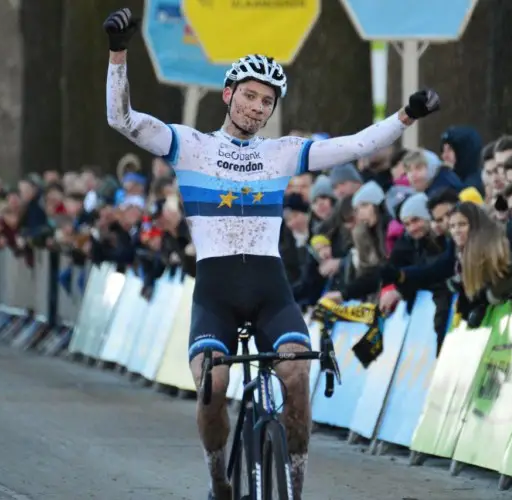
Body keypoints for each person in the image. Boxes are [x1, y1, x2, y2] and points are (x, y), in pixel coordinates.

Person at [102, 8, 441, 500]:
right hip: (215, 295)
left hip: (270, 290)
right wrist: (118, 52)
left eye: (267, 100)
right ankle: (219, 476)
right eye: (250, 95)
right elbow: (122, 119)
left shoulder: (282, 152)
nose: (258, 107)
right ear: (228, 95)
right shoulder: (187, 144)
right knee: (214, 388)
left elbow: (357, 145)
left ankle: (295, 486)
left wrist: (406, 115)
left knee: (297, 377)